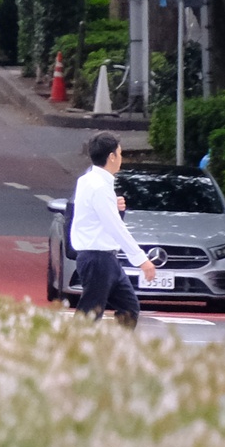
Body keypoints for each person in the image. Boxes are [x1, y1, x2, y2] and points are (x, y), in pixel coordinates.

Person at [70, 130, 152, 326]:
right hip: (97, 258)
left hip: (105, 258)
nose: (121, 159)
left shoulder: (88, 180)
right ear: (111, 156)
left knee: (129, 307)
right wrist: (142, 260)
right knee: (90, 314)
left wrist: (112, 206)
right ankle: (69, 352)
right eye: (120, 154)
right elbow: (116, 227)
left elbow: (92, 213)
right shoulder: (99, 187)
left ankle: (113, 352)